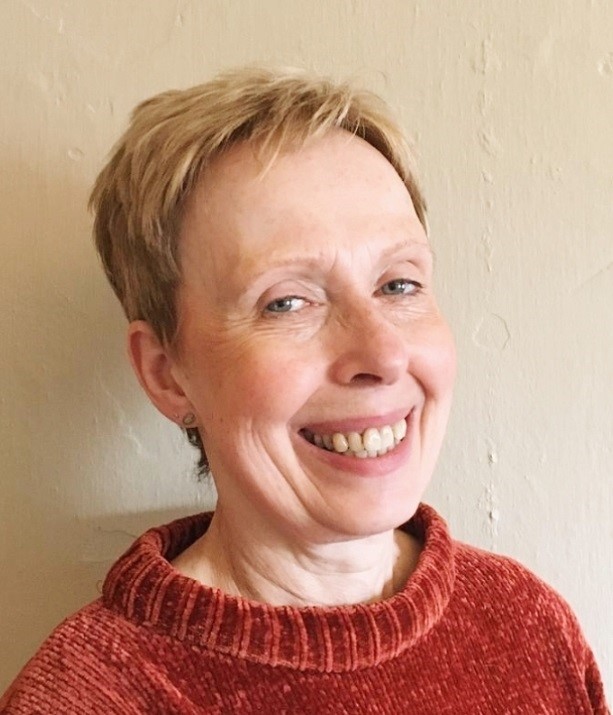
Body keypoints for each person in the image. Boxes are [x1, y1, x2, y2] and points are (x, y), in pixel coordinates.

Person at [0, 67, 608, 714]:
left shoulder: (526, 624)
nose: (382, 354)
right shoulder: (90, 698)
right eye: (286, 302)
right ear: (165, 373)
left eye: (398, 285)